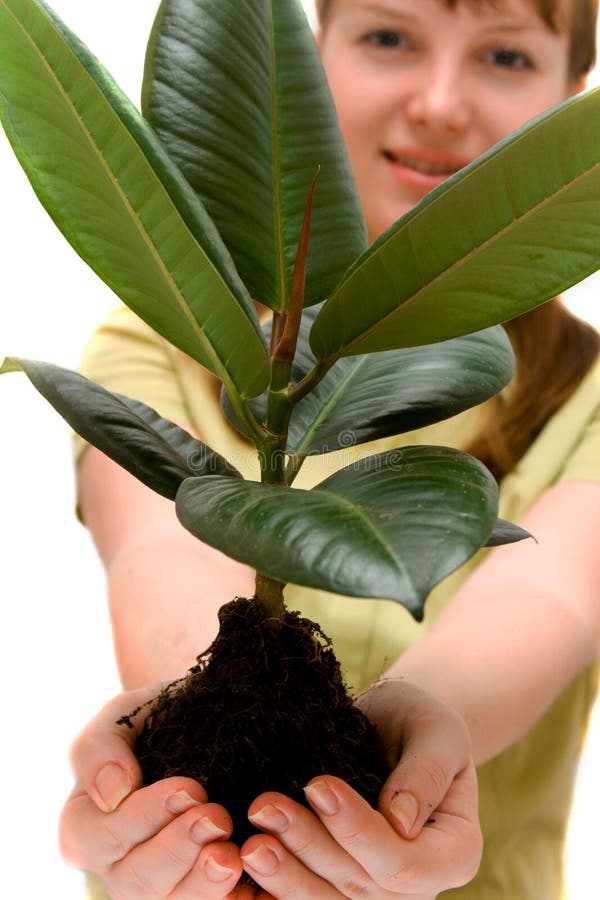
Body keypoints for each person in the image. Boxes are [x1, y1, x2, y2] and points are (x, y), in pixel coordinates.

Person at [59, 0, 600, 897]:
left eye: (504, 56)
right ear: (298, 75)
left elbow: (554, 596)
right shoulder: (159, 342)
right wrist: (207, 775)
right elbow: (160, 550)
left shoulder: (586, 392)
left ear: (569, 102)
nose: (438, 102)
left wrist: (416, 745)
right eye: (390, 36)